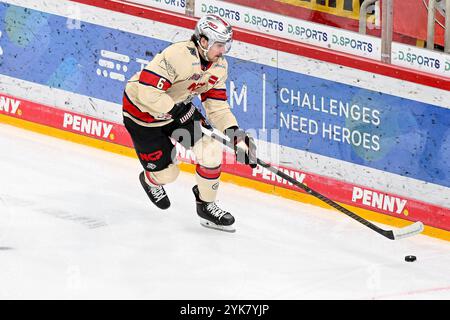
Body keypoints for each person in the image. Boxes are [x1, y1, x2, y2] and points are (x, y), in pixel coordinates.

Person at [122, 14, 257, 232]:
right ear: (203, 41)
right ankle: (151, 181)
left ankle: (206, 206)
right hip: (142, 114)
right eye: (219, 45)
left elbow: (217, 106)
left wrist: (236, 135)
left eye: (226, 46)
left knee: (211, 151)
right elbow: (148, 93)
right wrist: (175, 111)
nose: (223, 51)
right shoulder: (177, 55)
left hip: (176, 107)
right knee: (169, 174)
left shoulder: (219, 67)